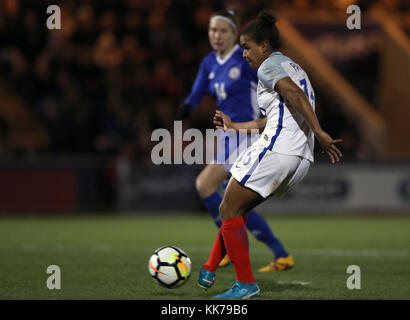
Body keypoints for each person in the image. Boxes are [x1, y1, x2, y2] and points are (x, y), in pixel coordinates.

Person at [197, 11, 342, 299]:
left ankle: (245, 285)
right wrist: (234, 125)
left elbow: (295, 97)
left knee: (227, 208)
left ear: (264, 46)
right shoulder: (294, 66)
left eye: (247, 47)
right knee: (237, 209)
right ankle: (210, 268)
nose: (245, 54)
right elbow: (279, 114)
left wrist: (320, 131)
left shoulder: (268, 67)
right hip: (299, 158)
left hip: (278, 149)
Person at [178, 10, 293, 272]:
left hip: (246, 133)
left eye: (223, 31)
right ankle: (279, 253)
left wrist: (282, 101)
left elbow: (271, 77)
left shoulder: (245, 60)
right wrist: (187, 106)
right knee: (235, 204)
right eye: (212, 30)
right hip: (226, 136)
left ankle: (231, 248)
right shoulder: (209, 62)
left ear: (233, 35)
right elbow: (198, 91)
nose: (216, 36)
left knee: (207, 185)